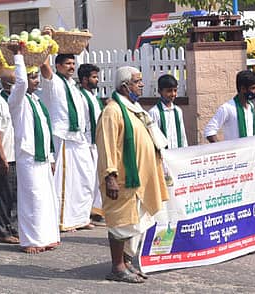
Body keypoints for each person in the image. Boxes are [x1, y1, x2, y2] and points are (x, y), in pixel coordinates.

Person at [97, 66, 168, 283]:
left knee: (135, 223)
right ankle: (117, 267)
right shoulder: (113, 111)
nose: (142, 84)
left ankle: (127, 263)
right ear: (125, 86)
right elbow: (106, 144)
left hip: (140, 180)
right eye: (137, 81)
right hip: (122, 179)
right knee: (121, 223)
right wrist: (110, 176)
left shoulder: (134, 109)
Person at [39, 40, 96, 232]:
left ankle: (81, 217)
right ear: (58, 66)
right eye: (68, 64)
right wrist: (46, 40)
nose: (72, 67)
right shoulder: (53, 81)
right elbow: (44, 66)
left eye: (73, 64)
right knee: (64, 182)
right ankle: (63, 220)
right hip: (62, 135)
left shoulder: (74, 86)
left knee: (85, 178)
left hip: (78, 138)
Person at [9, 49, 61, 254]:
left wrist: (51, 157)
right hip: (27, 156)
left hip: (42, 158)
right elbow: (20, 83)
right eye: (32, 77)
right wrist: (19, 57)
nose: (36, 81)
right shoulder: (17, 101)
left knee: (46, 198)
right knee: (31, 198)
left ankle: (46, 237)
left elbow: (46, 131)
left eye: (37, 76)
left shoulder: (37, 102)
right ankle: (30, 240)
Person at [0, 71, 20, 245]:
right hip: (5, 156)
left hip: (18, 155)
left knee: (15, 195)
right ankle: (2, 231)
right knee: (4, 195)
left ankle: (13, 228)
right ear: (7, 84)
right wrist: (2, 157)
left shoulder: (15, 101)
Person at [77, 63, 106, 226]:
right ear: (85, 79)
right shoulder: (80, 97)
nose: (97, 81)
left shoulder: (94, 97)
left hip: (96, 143)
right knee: (87, 180)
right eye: (94, 77)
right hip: (86, 143)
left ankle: (95, 211)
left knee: (96, 179)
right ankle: (84, 214)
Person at [204, 70, 255, 143]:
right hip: (235, 153)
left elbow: (250, 134)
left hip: (249, 153)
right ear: (243, 89)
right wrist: (223, 149)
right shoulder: (227, 108)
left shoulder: (251, 106)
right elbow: (209, 131)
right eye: (253, 88)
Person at [148, 74, 188, 149]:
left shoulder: (178, 111)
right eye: (169, 91)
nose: (173, 94)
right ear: (159, 91)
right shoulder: (154, 112)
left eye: (175, 90)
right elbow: (153, 137)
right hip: (162, 155)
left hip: (177, 153)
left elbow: (182, 135)